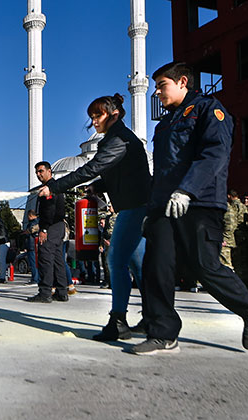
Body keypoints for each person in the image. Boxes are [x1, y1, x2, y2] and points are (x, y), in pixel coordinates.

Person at [131, 61, 248, 355]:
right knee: (157, 266)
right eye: (155, 87)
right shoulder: (166, 123)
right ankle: (163, 333)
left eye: (162, 86)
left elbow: (214, 154)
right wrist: (152, 210)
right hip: (165, 206)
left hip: (200, 203)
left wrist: (188, 190)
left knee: (204, 266)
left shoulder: (210, 110)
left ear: (183, 82)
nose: (157, 93)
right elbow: (162, 171)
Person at [37, 93, 151, 340]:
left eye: (97, 116)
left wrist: (55, 186)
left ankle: (120, 321)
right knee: (138, 265)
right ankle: (153, 316)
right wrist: (99, 186)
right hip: (135, 207)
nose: (94, 122)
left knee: (117, 261)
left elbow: (91, 168)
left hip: (135, 208)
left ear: (114, 114)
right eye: (91, 117)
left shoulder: (118, 139)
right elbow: (119, 173)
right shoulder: (116, 138)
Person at [27, 161, 68, 303]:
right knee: (58, 260)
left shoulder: (49, 189)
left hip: (50, 227)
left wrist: (43, 229)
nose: (38, 175)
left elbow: (49, 210)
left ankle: (45, 293)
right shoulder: (56, 186)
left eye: (41, 171)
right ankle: (62, 292)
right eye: (37, 172)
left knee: (45, 258)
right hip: (58, 227)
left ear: (49, 171)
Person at [23, 210, 40, 285]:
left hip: (32, 245)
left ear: (30, 215)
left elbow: (29, 233)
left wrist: (26, 232)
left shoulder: (32, 223)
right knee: (36, 263)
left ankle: (35, 279)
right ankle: (37, 278)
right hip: (35, 245)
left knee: (33, 263)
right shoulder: (38, 222)